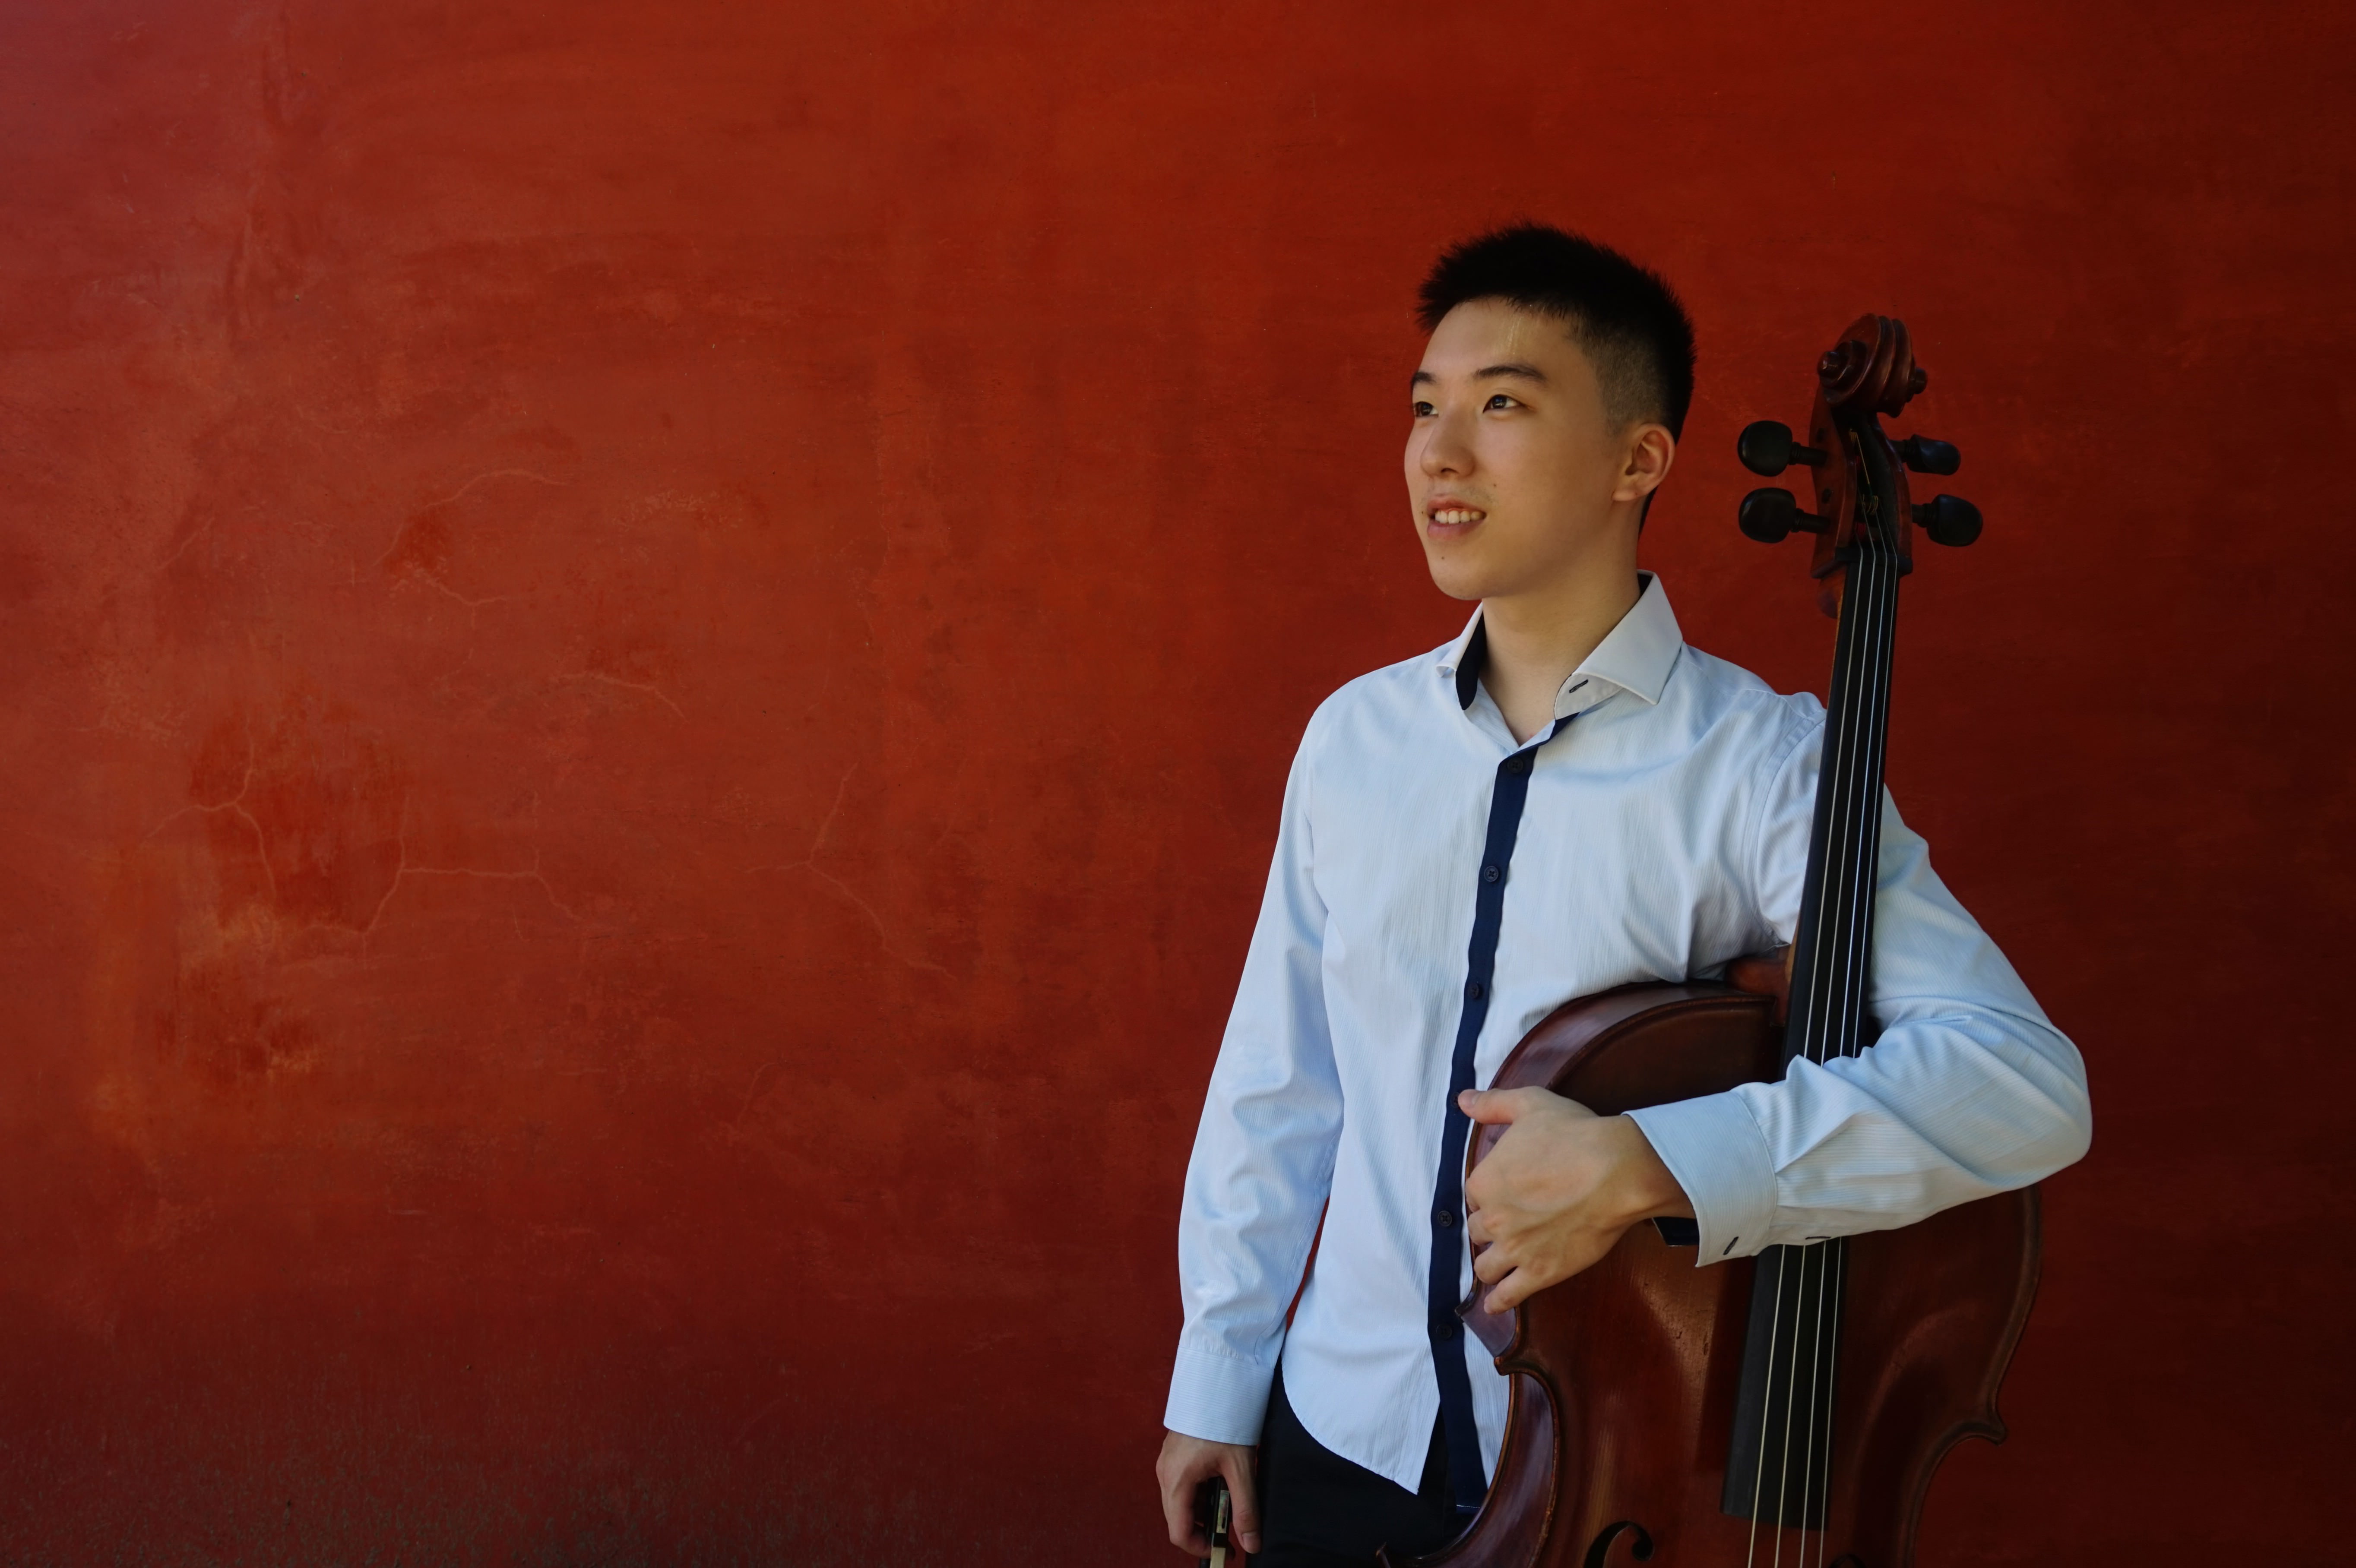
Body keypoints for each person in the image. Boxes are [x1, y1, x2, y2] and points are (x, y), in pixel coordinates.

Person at [1153, 225, 2092, 1566]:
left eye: (1502, 407)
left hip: (1619, 1461)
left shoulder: (1765, 764)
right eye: (1425, 407)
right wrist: (1217, 1380)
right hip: (1339, 1438)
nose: (1439, 452)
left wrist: (1655, 1163)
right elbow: (1281, 1079)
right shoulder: (1352, 740)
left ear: (1638, 460)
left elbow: (2021, 1081)